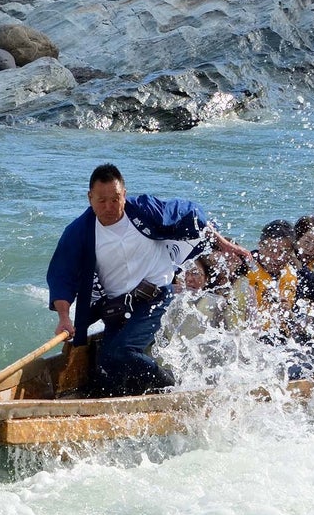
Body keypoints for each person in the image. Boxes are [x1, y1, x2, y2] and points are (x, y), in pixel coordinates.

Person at [47, 163, 250, 396]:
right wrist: (64, 317)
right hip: (117, 306)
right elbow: (63, 274)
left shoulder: (144, 210)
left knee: (123, 353)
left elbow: (190, 214)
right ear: (89, 198)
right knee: (105, 369)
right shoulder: (79, 232)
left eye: (115, 199)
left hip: (156, 297)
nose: (109, 207)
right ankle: (129, 403)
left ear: (124, 194)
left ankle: (173, 391)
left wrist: (222, 243)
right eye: (101, 201)